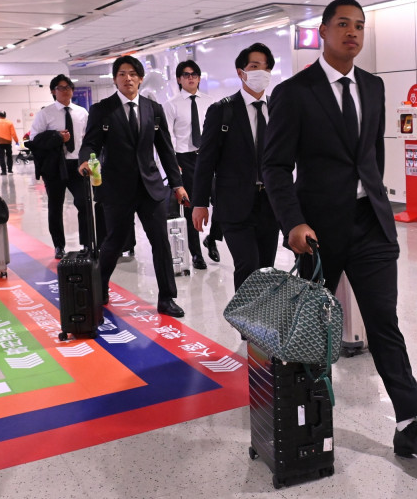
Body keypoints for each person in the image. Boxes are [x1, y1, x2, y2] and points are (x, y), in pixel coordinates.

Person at [262, 0, 417, 458]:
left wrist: (376, 200)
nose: (353, 32)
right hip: (318, 234)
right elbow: (275, 166)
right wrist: (293, 222)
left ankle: (409, 422)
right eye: (343, 24)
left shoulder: (373, 86)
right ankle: (297, 419)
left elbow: (370, 158)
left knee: (384, 323)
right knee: (308, 328)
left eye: (360, 26)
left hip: (370, 225)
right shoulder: (294, 92)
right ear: (323, 32)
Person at [79, 55, 188, 318]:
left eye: (132, 74)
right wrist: (84, 160)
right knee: (114, 242)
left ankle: (166, 298)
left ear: (140, 78)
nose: (127, 78)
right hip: (117, 188)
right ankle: (101, 286)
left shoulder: (153, 108)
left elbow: (165, 149)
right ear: (115, 79)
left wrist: (177, 184)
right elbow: (91, 143)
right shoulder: (103, 109)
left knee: (161, 242)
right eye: (121, 74)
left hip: (150, 188)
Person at [192, 43, 280, 291]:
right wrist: (200, 203)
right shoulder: (223, 110)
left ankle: (262, 326)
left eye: (265, 67)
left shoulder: (278, 109)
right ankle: (247, 330)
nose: (260, 72)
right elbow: (206, 160)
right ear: (241, 72)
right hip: (234, 204)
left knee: (266, 268)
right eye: (254, 66)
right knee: (248, 265)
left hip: (270, 206)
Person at [163, 60, 219, 270]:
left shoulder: (211, 102)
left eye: (194, 74)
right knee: (192, 207)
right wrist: (173, 164)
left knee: (221, 200)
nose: (191, 77)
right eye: (186, 74)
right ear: (179, 79)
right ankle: (196, 254)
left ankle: (212, 237)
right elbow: (167, 137)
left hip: (208, 157)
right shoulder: (171, 104)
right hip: (184, 160)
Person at [28, 74, 89, 259]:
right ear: (53, 91)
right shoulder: (45, 113)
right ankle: (59, 246)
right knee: (55, 206)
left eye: (69, 87)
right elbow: (34, 140)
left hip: (77, 164)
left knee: (84, 204)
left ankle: (86, 244)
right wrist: (56, 136)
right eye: (61, 88)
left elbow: (88, 139)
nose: (65, 91)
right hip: (55, 166)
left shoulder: (82, 113)